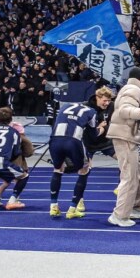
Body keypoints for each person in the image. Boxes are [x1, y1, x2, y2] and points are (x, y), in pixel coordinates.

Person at [47, 87, 113, 219]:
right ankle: (73, 208)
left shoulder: (65, 106)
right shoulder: (92, 111)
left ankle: (53, 207)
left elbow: (54, 123)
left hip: (54, 140)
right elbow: (94, 135)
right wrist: (102, 127)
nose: (106, 103)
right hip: (73, 141)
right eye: (104, 100)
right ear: (97, 98)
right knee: (85, 169)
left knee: (58, 169)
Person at [106, 67, 140, 228]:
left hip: (128, 136)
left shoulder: (131, 89)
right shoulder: (133, 89)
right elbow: (124, 110)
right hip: (125, 137)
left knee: (138, 172)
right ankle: (119, 215)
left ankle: (136, 207)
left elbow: (133, 118)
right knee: (129, 175)